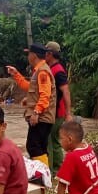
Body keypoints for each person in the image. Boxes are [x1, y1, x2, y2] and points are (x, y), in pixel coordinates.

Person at [5, 43, 57, 168]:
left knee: (34, 146)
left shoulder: (43, 72)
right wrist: (16, 74)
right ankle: (43, 174)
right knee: (39, 146)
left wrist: (36, 112)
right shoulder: (39, 71)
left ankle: (42, 175)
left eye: (29, 53)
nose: (28, 56)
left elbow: (45, 95)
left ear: (33, 55)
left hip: (42, 117)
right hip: (42, 117)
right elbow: (30, 88)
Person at [47, 118, 98, 194]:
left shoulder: (72, 156)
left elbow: (62, 182)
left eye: (61, 139)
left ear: (69, 139)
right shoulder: (88, 148)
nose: (60, 142)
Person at [43, 41, 72, 172]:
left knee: (49, 141)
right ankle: (58, 170)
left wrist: (68, 113)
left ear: (50, 54)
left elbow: (66, 92)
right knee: (54, 141)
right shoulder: (53, 68)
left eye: (45, 53)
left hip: (56, 113)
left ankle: (50, 171)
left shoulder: (58, 71)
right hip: (55, 112)